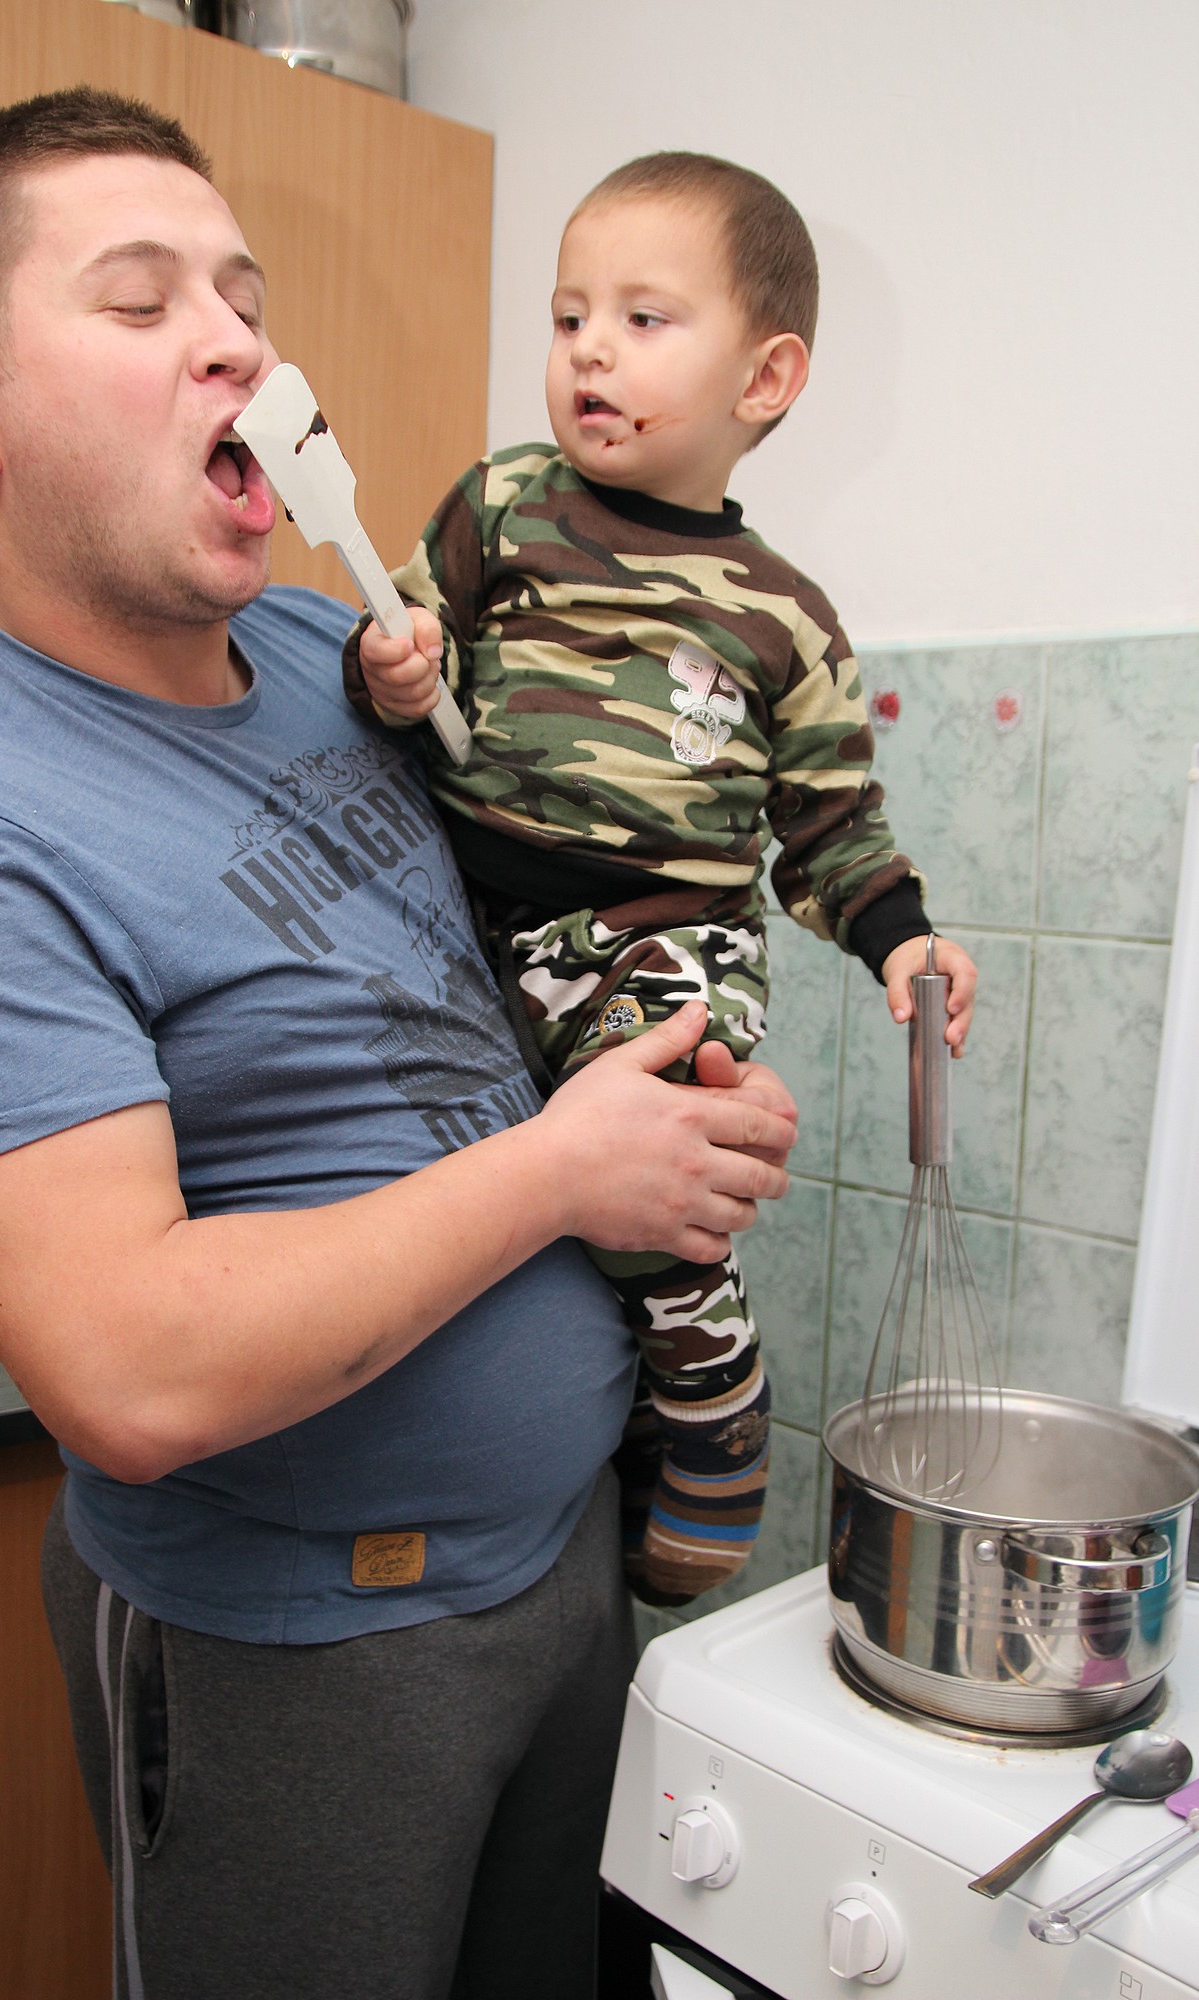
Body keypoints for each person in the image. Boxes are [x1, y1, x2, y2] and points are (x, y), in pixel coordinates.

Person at [0, 92, 799, 2000]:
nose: (233, 339)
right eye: (142, 305)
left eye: (243, 295)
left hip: (560, 1563)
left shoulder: (329, 656)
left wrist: (667, 1077)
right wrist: (564, 1173)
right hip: (297, 1649)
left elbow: (525, 943)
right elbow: (130, 1371)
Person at [346, 151, 978, 1608]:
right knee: (487, 1194)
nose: (589, 351)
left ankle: (708, 1396)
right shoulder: (503, 504)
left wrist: (903, 939)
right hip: (470, 936)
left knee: (656, 1146)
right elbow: (401, 644)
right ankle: (613, 1394)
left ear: (765, 379)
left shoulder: (785, 621)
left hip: (664, 943)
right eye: (569, 316)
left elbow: (832, 828)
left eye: (642, 320)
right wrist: (392, 670)